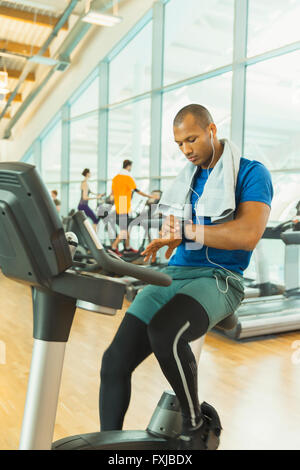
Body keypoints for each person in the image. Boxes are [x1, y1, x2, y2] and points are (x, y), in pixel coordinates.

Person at [99, 104, 273, 449]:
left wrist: (187, 231)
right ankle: (108, 445)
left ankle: (196, 425)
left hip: (220, 276)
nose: (186, 150)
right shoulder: (188, 180)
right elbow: (178, 230)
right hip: (177, 271)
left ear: (211, 129)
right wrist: (169, 236)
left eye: (191, 139)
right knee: (113, 362)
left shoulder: (252, 173)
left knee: (165, 331)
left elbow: (248, 234)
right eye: (179, 144)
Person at [110, 159, 153, 255]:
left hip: (118, 205)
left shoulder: (116, 178)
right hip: (124, 205)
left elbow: (112, 193)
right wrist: (150, 196)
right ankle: (113, 247)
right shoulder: (128, 177)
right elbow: (137, 190)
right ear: (129, 166)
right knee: (124, 230)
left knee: (125, 227)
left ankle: (127, 248)